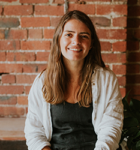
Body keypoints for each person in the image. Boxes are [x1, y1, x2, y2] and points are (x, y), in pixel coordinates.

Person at [24, 10, 123, 150]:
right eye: (69, 35)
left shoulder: (106, 79)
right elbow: (34, 131)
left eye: (84, 36)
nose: (76, 41)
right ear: (59, 39)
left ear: (91, 44)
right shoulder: (42, 82)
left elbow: (111, 127)